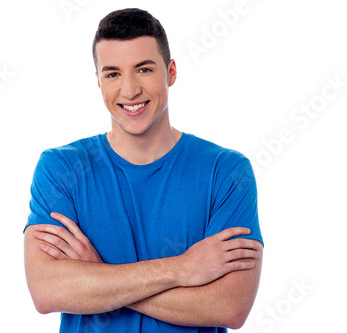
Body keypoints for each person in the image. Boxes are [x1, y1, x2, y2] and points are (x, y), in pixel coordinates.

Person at [24, 8, 263, 332]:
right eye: (112, 74)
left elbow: (229, 307)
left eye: (144, 69)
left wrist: (99, 275)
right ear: (98, 81)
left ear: (171, 72)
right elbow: (47, 291)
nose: (130, 90)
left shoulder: (226, 172)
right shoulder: (61, 169)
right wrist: (182, 268)